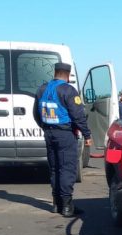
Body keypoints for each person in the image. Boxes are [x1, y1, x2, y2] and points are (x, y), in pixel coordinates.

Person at [33, 62, 92, 217]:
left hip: (49, 133)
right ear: (68, 75)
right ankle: (67, 206)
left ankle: (56, 204)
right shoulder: (68, 90)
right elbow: (78, 116)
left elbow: (36, 114)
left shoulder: (42, 89)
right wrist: (87, 135)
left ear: (55, 72)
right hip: (65, 134)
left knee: (55, 168)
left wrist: (45, 127)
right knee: (67, 169)